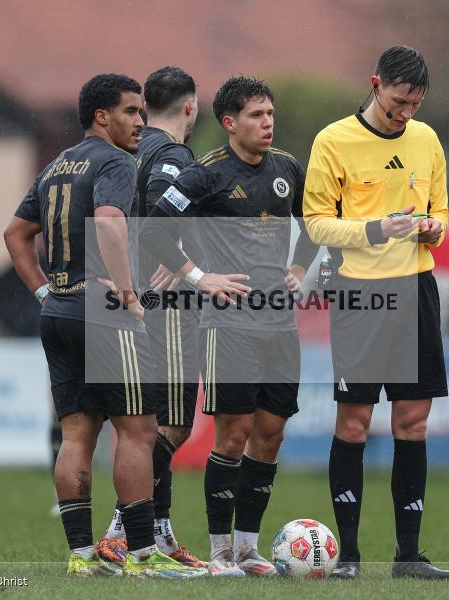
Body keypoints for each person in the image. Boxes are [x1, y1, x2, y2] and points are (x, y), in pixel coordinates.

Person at [3, 73, 204, 579]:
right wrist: (128, 292)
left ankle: (81, 555)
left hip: (59, 309)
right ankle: (142, 554)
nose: (141, 121)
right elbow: (111, 220)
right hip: (104, 309)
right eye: (132, 112)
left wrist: (44, 290)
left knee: (77, 436)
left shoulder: (55, 166)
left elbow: (15, 233)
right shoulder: (116, 161)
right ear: (102, 116)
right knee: (138, 432)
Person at [143, 75, 319, 576]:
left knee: (270, 435)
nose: (268, 124)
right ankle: (220, 554)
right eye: (257, 116)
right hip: (227, 324)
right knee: (233, 435)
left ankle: (248, 548)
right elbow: (154, 229)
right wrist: (199, 277)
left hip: (280, 326)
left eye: (270, 114)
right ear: (229, 122)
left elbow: (318, 224)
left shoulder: (287, 168)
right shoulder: (204, 175)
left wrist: (301, 269)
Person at [303, 46, 449, 580]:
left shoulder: (427, 139)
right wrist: (374, 230)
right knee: (356, 421)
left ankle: (409, 556)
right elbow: (317, 224)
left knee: (413, 423)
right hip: (361, 293)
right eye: (398, 103)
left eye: (415, 105)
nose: (406, 114)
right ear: (375, 85)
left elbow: (440, 209)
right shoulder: (333, 140)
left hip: (416, 288)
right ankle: (348, 555)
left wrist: (437, 226)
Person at [96, 66, 207, 567]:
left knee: (148, 423)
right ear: (190, 106)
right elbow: (161, 205)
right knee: (172, 426)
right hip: (168, 303)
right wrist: (174, 256)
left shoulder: (129, 151)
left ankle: (157, 531)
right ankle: (125, 525)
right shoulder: (173, 154)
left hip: (130, 301)